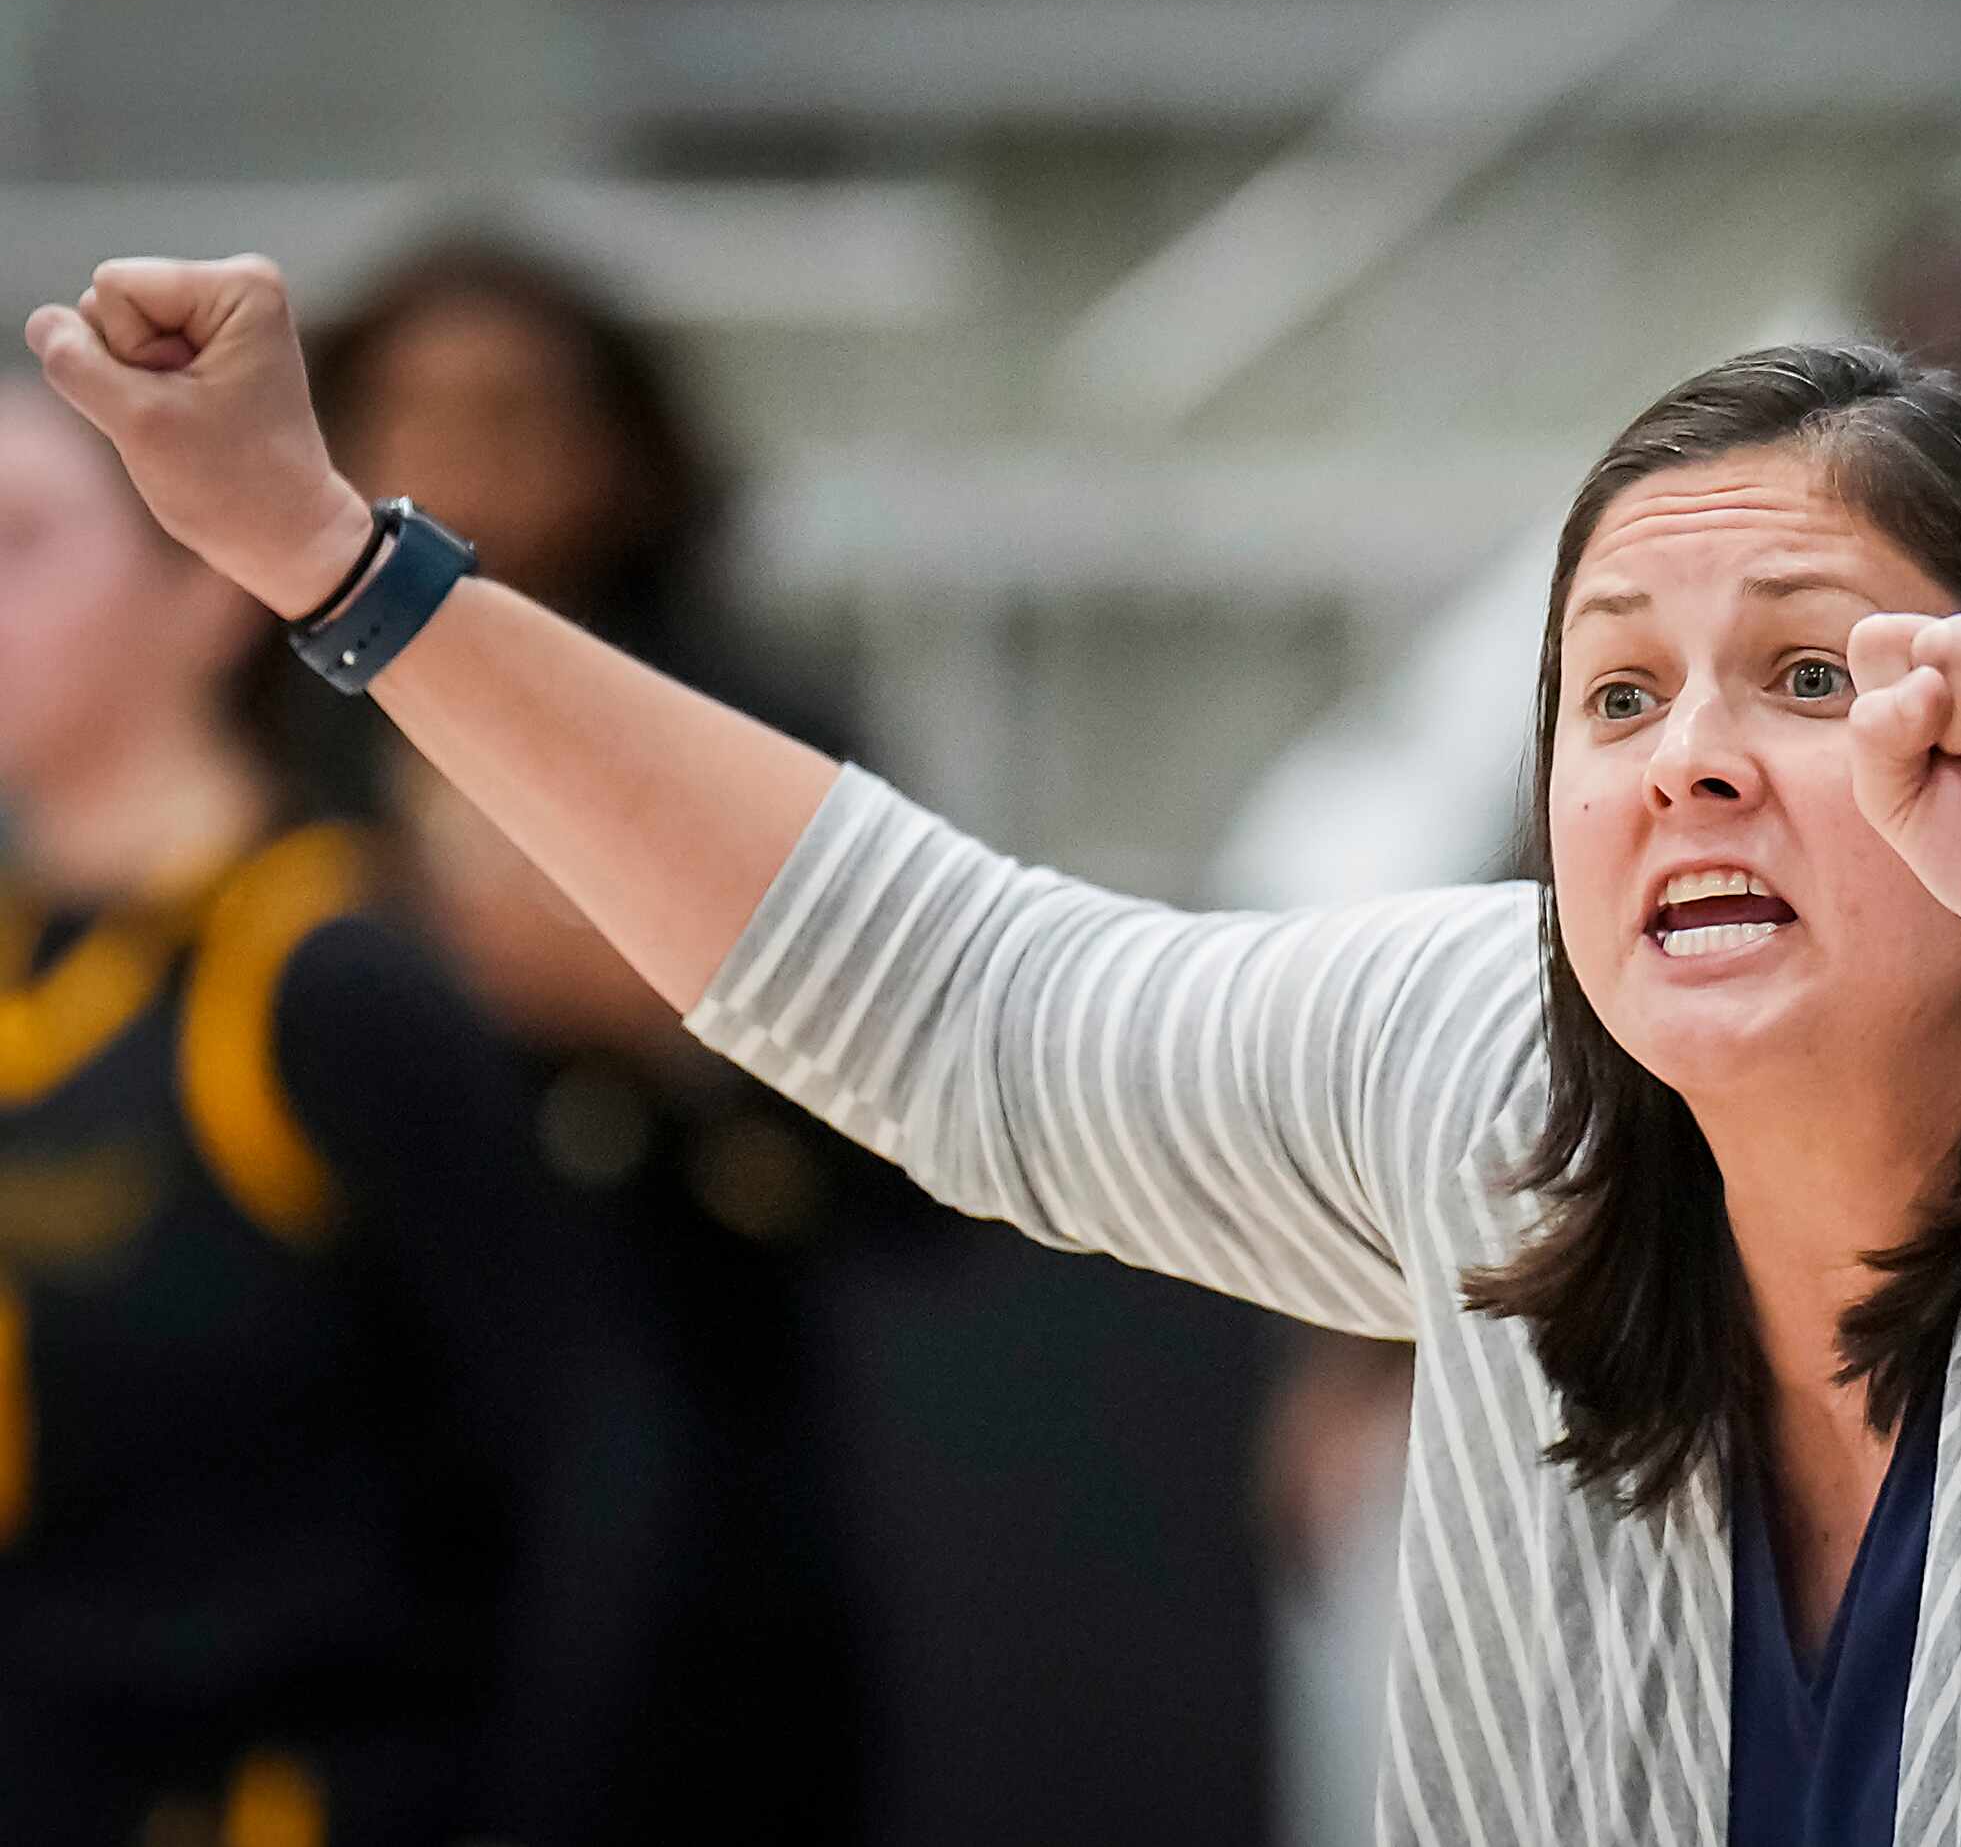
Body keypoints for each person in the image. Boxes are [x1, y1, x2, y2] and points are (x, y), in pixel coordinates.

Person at [24, 257, 1961, 1844]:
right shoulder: (1492, 1049)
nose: (1685, 739)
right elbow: (955, 987)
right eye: (1613, 687)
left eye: (1807, 670)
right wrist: (326, 558)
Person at [301, 236, 1283, 1845]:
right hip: (356, 1477)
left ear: (622, 449)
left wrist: (672, 1021)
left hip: (689, 1443)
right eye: (409, 411)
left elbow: (940, 1128)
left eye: (514, 410)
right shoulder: (281, 749)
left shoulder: (751, 735)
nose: (461, 456)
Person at [0, 361, 669, 1844]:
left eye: (24, 539)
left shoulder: (330, 976)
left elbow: (580, 1470)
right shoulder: (28, 960)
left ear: (203, 594)